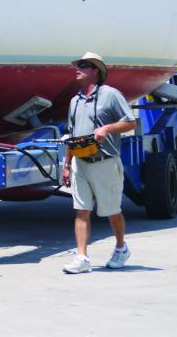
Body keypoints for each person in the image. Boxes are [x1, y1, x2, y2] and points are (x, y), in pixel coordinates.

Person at [62, 52, 137, 274]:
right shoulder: (74, 101)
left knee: (112, 210)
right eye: (78, 65)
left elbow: (130, 122)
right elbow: (71, 135)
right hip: (81, 163)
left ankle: (121, 248)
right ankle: (82, 257)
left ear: (96, 71)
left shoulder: (111, 95)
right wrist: (67, 165)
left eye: (84, 66)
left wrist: (107, 128)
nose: (78, 69)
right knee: (81, 210)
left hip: (105, 161)